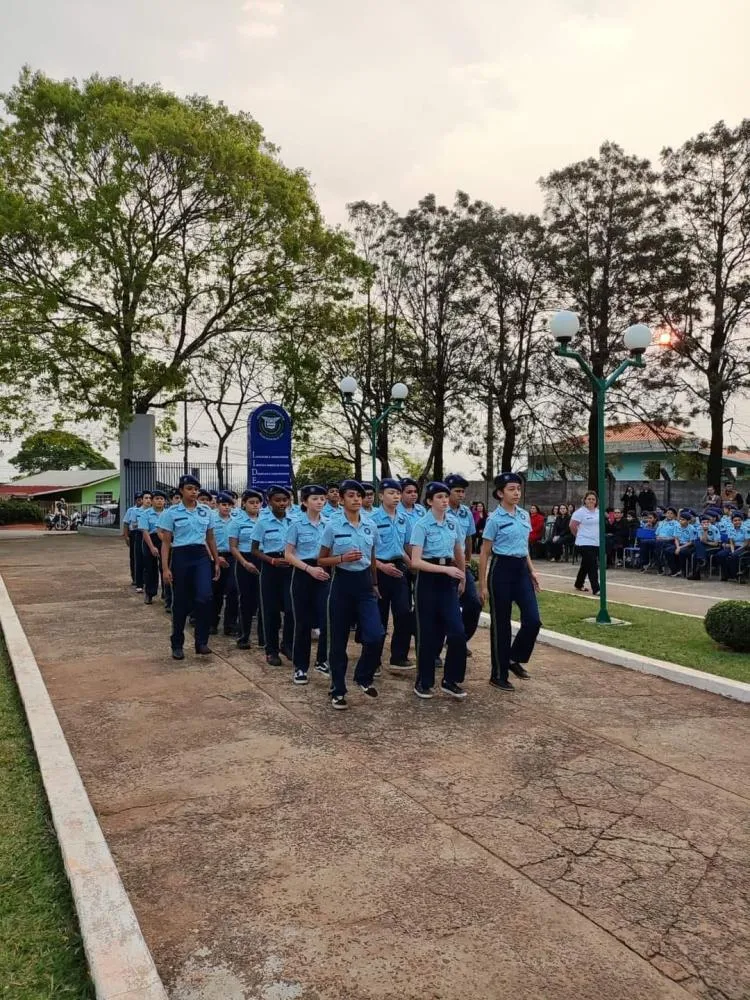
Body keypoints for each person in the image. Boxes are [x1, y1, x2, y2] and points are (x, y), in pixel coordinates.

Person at [318, 480, 384, 710]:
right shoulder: (333, 526)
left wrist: (375, 582)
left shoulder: (370, 525)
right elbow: (321, 559)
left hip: (365, 583)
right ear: (343, 499)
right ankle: (337, 689)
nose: (357, 499)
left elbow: (373, 556)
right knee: (338, 641)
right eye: (352, 495)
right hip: (342, 584)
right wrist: (341, 559)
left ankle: (363, 676)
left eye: (360, 495)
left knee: (376, 634)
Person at [478, 472, 541, 691]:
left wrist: (532, 571)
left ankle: (514, 658)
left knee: (533, 620)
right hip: (501, 570)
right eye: (511, 489)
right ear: (500, 493)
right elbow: (485, 553)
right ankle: (498, 674)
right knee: (501, 625)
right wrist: (483, 585)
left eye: (518, 489)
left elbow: (525, 547)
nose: (516, 493)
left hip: (521, 570)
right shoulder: (494, 519)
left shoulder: (524, 515)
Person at [409, 481, 467, 700]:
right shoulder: (422, 525)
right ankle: (423, 681)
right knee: (428, 633)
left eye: (446, 496)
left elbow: (458, 551)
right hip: (428, 580)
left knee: (457, 631)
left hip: (448, 580)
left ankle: (451, 680)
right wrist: (445, 571)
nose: (444, 500)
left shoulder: (453, 523)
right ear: (429, 501)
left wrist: (462, 577)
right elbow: (415, 561)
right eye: (439, 497)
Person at [158, 474, 221, 660]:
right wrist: (165, 568)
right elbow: (166, 543)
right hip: (181, 556)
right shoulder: (171, 513)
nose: (193, 492)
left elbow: (210, 538)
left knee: (205, 597)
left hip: (201, 555)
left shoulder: (205, 511)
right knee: (181, 603)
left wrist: (216, 561)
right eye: (189, 489)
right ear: (181, 490)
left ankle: (201, 642)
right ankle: (177, 643)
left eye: (196, 489)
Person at [284, 485, 331, 684]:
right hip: (304, 573)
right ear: (304, 502)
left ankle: (322, 660)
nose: (320, 502)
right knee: (302, 623)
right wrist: (308, 569)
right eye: (315, 498)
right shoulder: (296, 524)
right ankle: (300, 667)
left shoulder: (330, 524)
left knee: (326, 619)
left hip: (324, 573)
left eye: (322, 498)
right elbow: (288, 554)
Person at [371, 478, 414, 672]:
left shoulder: (404, 518)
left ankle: (398, 656)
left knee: (403, 613)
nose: (396, 497)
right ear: (381, 496)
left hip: (398, 567)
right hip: (378, 568)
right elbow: (366, 550)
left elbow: (404, 546)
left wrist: (413, 564)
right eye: (391, 493)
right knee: (378, 616)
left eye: (398, 493)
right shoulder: (372, 519)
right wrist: (380, 566)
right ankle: (373, 660)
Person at [252, 485, 295, 666]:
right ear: (269, 502)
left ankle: (287, 644)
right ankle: (271, 650)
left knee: (291, 609)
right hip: (271, 568)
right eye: (277, 500)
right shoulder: (263, 522)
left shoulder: (294, 521)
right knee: (271, 611)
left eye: (284, 500)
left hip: (290, 567)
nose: (281, 503)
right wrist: (271, 561)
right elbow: (254, 550)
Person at [445, 474, 483, 653]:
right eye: (457, 491)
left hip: (461, 565)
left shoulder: (466, 512)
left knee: (474, 603)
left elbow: (468, 537)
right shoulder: (440, 511)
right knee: (442, 607)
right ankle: (435, 649)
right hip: (442, 565)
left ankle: (460, 640)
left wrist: (467, 561)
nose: (461, 495)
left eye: (463, 491)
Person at [228, 489, 264, 650]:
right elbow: (233, 547)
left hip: (263, 559)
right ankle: (244, 635)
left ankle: (264, 637)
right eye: (251, 502)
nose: (255, 505)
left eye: (258, 502)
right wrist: (244, 563)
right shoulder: (237, 522)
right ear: (244, 504)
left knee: (263, 600)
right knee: (246, 600)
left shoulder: (265, 520)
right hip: (244, 560)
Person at [210, 492, 239, 635]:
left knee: (233, 591)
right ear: (217, 505)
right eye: (224, 504)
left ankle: (230, 624)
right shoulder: (212, 520)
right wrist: (216, 558)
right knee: (216, 591)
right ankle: (212, 623)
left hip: (233, 557)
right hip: (216, 556)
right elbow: (206, 539)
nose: (227, 508)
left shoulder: (236, 520)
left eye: (229, 505)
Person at [140, 490, 170, 608]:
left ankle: (166, 592)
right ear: (152, 501)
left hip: (165, 540)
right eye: (157, 499)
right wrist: (152, 547)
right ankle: (150, 593)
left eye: (162, 499)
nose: (159, 501)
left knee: (165, 567)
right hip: (150, 540)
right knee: (150, 568)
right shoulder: (146, 514)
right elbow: (145, 531)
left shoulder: (168, 513)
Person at [570, 491, 600, 594]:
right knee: (592, 565)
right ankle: (596, 589)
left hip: (595, 543)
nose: (591, 501)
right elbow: (572, 526)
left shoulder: (598, 512)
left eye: (593, 499)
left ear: (596, 501)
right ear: (585, 500)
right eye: (589, 499)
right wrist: (579, 536)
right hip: (583, 543)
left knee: (586, 565)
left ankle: (578, 584)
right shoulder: (580, 512)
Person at [132, 491, 152, 593]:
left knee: (150, 562)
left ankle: (150, 583)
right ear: (142, 500)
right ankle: (139, 583)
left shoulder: (154, 512)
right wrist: (141, 524)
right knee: (139, 559)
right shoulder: (136, 511)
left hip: (151, 535)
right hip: (140, 535)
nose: (148, 500)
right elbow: (133, 525)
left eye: (149, 498)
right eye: (146, 498)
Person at [121, 493, 143, 584]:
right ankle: (135, 578)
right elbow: (126, 524)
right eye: (138, 498)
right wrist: (126, 537)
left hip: (144, 533)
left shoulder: (148, 510)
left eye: (141, 498)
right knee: (134, 556)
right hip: (134, 533)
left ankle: (144, 578)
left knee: (144, 556)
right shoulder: (131, 510)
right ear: (135, 500)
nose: (140, 500)